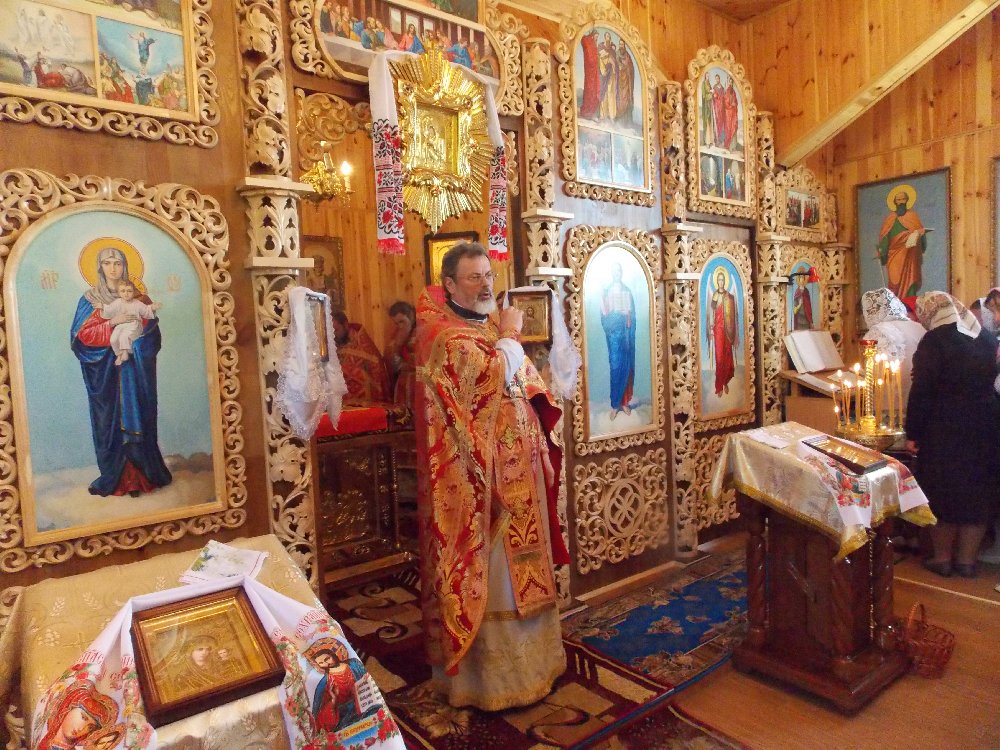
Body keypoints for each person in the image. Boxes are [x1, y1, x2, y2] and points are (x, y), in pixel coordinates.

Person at [414, 242, 568, 711]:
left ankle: (535, 667)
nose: (486, 285)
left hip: (521, 468)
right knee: (497, 574)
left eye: (488, 275)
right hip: (481, 484)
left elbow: (524, 385)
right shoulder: (443, 336)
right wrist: (512, 335)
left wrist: (538, 440)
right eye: (474, 277)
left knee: (528, 567)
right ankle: (491, 682)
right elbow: (491, 379)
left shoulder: (488, 328)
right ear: (449, 284)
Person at [905, 291, 1000, 578]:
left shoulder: (935, 340)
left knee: (942, 490)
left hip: (944, 425)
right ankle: (967, 561)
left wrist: (913, 432)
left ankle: (942, 558)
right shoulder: (986, 338)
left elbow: (922, 391)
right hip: (985, 424)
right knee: (977, 493)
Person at [72, 245, 172, 497]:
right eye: (107, 263)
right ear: (99, 267)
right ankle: (116, 478)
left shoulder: (141, 299)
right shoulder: (90, 300)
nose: (113, 268)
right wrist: (112, 324)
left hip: (135, 375)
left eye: (118, 263)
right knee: (109, 424)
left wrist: (136, 345)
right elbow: (82, 337)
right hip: (106, 376)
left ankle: (144, 476)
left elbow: (152, 336)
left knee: (140, 418)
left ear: (125, 266)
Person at [861, 287, 926, 405]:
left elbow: (877, 372)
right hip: (920, 398)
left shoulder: (878, 330)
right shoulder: (919, 327)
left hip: (892, 399)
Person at [877, 187, 929, 303]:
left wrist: (920, 235)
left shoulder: (913, 217)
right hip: (894, 256)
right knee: (894, 283)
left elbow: (922, 237)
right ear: (894, 202)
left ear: (907, 200)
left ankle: (910, 306)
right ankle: (896, 306)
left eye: (903, 199)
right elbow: (885, 237)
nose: (901, 202)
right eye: (898, 200)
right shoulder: (890, 219)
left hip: (911, 257)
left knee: (910, 283)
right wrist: (882, 251)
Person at [307, 639, 368, 733]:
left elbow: (367, 680)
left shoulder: (353, 664)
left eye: (327, 659)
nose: (326, 663)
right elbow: (319, 713)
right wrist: (333, 699)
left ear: (333, 654)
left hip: (364, 702)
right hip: (344, 715)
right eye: (321, 663)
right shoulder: (325, 682)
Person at [96, 280, 162, 366]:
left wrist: (152, 307)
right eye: (123, 291)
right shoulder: (118, 302)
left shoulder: (137, 303)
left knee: (124, 336)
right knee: (113, 339)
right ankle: (119, 354)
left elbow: (146, 311)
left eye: (129, 291)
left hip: (134, 325)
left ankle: (125, 353)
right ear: (119, 293)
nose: (126, 294)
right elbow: (109, 310)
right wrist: (102, 307)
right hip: (121, 325)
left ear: (133, 292)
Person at [332, 311, 390, 405]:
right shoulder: (331, 344)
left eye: (336, 330)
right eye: (330, 332)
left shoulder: (363, 343)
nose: (333, 335)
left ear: (345, 325)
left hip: (365, 400)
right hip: (342, 401)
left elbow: (377, 372)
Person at [600, 263, 636, 419]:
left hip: (626, 334)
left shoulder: (627, 291)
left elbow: (633, 316)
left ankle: (625, 402)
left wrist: (628, 314)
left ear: (621, 272)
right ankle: (615, 405)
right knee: (615, 368)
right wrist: (612, 313)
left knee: (626, 367)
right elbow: (603, 315)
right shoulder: (607, 291)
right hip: (614, 335)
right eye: (614, 271)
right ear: (611, 273)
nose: (617, 273)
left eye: (618, 271)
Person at [37, 684, 117, 750]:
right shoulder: (43, 742)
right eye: (83, 717)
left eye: (90, 727)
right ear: (67, 709)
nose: (81, 728)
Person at [706, 268, 739, 396]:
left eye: (722, 280)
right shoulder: (715, 295)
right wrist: (711, 327)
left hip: (727, 331)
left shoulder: (729, 296)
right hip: (718, 330)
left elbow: (732, 315)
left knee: (727, 357)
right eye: (719, 280)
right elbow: (712, 312)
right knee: (719, 358)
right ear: (717, 281)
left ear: (725, 281)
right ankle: (719, 386)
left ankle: (725, 382)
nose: (720, 282)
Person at [384, 300, 416, 409]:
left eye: (402, 321)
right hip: (404, 385)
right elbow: (394, 366)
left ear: (411, 315)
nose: (400, 326)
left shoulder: (422, 330)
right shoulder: (398, 334)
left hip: (420, 385)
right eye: (397, 323)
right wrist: (398, 345)